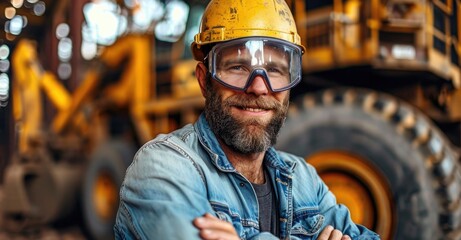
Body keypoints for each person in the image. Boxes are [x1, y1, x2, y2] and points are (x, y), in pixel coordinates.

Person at [114, 0, 380, 239]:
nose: (259, 88)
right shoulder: (162, 168)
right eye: (238, 67)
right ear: (204, 80)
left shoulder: (302, 179)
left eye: (275, 70)